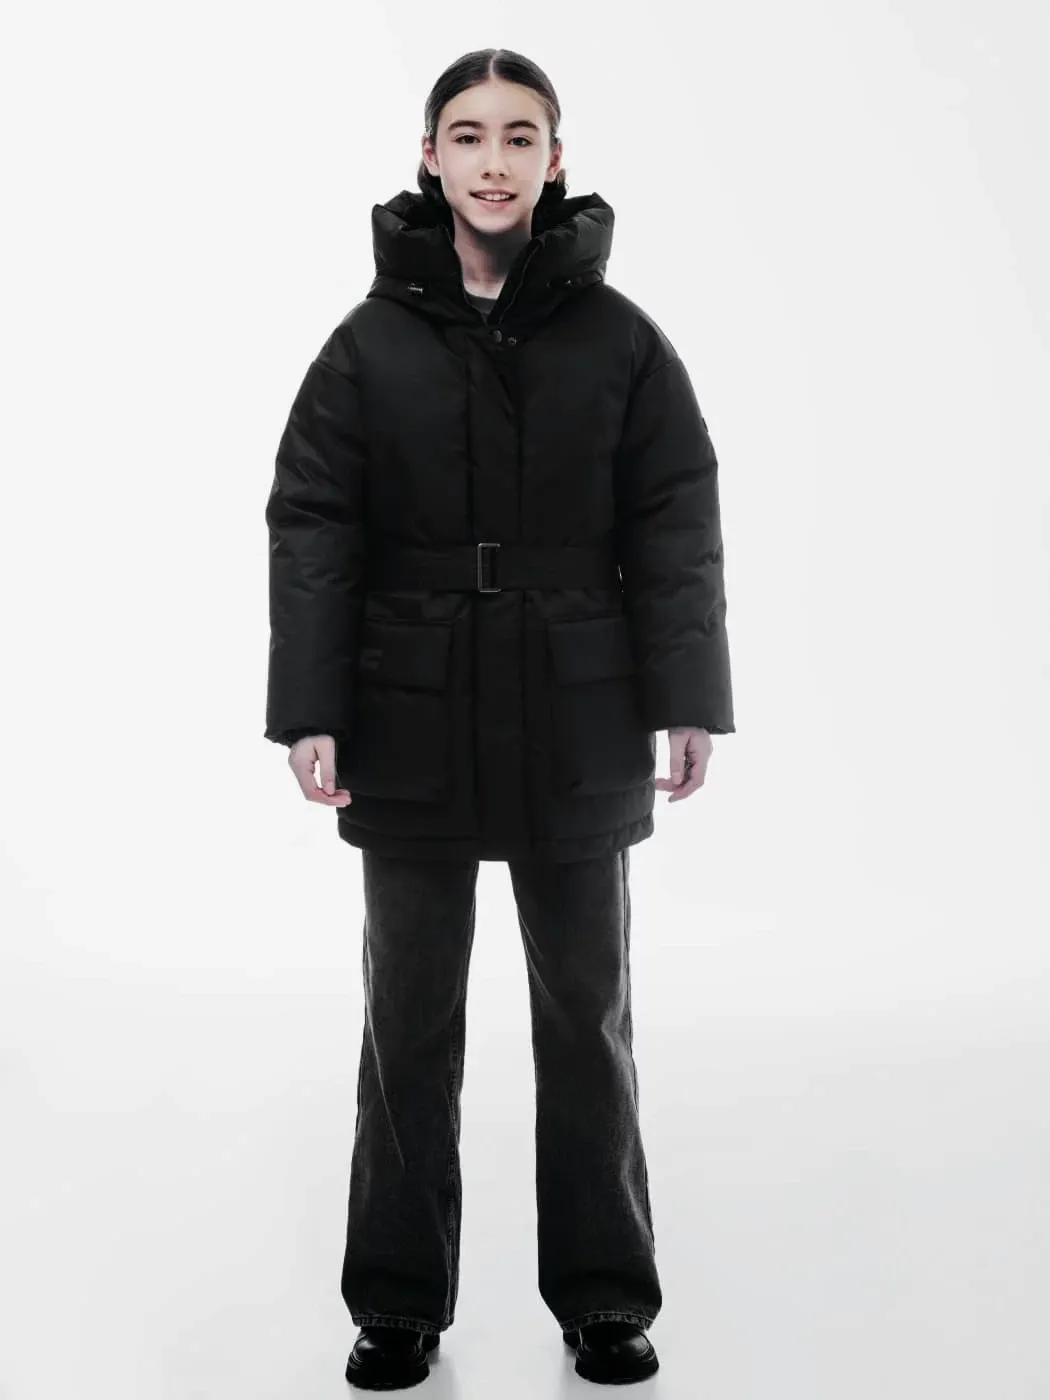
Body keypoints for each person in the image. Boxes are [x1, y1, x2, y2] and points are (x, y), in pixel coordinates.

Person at [264, 47, 735, 1392]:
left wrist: (687, 699)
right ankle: (398, 1302)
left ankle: (604, 1297)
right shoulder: (365, 346)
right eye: (466, 135)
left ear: (554, 160)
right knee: (408, 1024)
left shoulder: (621, 339)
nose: (491, 161)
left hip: (578, 707)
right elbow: (314, 526)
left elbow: (675, 522)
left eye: (519, 136)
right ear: (429, 157)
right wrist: (312, 708)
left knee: (585, 1017)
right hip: (406, 710)